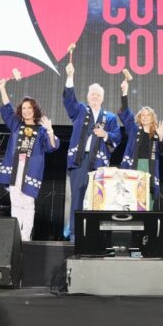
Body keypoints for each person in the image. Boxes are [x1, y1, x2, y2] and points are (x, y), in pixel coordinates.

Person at [0, 78, 59, 241]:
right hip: (15, 168)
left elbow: (52, 146)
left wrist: (50, 131)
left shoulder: (41, 130)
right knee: (16, 203)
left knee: (28, 203)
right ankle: (17, 236)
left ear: (34, 110)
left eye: (29, 108)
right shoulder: (16, 125)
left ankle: (26, 236)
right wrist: (2, 88)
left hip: (31, 170)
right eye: (23, 108)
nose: (26, 111)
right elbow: (7, 108)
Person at [63, 63, 121, 239]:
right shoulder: (80, 110)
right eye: (92, 94)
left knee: (98, 198)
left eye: (98, 95)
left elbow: (117, 136)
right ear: (87, 97)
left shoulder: (109, 117)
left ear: (102, 98)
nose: (95, 97)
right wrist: (70, 76)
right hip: (79, 160)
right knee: (77, 197)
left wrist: (105, 134)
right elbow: (69, 101)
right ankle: (74, 234)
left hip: (99, 163)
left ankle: (95, 236)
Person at [118, 77, 163, 211]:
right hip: (134, 165)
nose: (145, 117)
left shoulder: (157, 133)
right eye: (143, 115)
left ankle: (147, 222)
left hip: (149, 167)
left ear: (152, 118)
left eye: (148, 115)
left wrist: (161, 138)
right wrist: (124, 92)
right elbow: (125, 113)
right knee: (132, 197)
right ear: (139, 118)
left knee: (148, 198)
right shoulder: (134, 129)